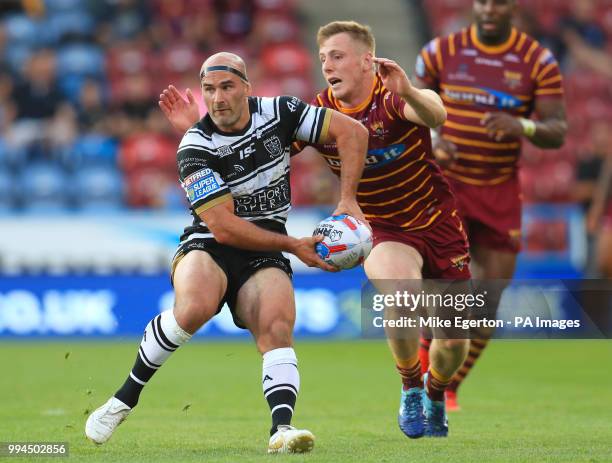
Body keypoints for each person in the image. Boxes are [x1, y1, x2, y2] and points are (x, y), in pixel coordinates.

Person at [159, 21, 470, 439]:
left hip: (439, 222)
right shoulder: (319, 110)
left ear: (365, 61)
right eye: (323, 58)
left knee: (452, 341)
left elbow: (436, 112)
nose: (327, 65)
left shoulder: (391, 96)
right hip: (380, 229)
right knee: (402, 295)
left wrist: (410, 90)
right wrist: (195, 129)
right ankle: (411, 385)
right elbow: (245, 155)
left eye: (337, 56)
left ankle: (435, 390)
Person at [85, 51, 369, 454]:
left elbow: (353, 132)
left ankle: (282, 430)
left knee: (276, 326)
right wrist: (293, 245)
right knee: (195, 306)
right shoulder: (194, 146)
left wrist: (348, 202)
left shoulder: (281, 111)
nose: (217, 97)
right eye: (208, 89)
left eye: (226, 86)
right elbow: (223, 225)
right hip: (210, 243)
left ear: (247, 89)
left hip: (263, 248)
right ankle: (123, 398)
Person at [414, 0, 567, 410]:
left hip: (500, 189)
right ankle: (425, 386)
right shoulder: (439, 52)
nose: (488, 10)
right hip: (447, 186)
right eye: (482, 2)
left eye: (497, 3)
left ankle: (447, 385)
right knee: (446, 292)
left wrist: (524, 125)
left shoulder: (537, 60)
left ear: (511, 7)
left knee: (489, 298)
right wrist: (434, 140)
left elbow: (557, 130)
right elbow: (409, 108)